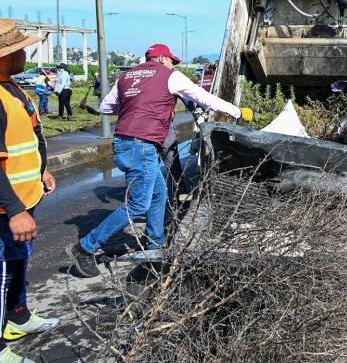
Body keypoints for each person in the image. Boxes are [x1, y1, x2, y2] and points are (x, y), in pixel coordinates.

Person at [68, 44, 253, 277]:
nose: (173, 65)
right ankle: (85, 247)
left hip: (125, 141)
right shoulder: (170, 76)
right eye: (172, 61)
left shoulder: (127, 76)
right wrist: (236, 112)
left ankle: (155, 244)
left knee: (158, 195)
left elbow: (106, 106)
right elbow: (203, 98)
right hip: (141, 144)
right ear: (163, 58)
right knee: (138, 204)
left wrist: (137, 106)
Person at [0, 20, 59, 362]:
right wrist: (15, 211)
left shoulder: (13, 88)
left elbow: (27, 140)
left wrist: (41, 171)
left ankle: (18, 317)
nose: (25, 53)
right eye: (20, 48)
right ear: (6, 55)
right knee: (2, 270)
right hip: (8, 207)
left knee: (18, 261)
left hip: (26, 196)